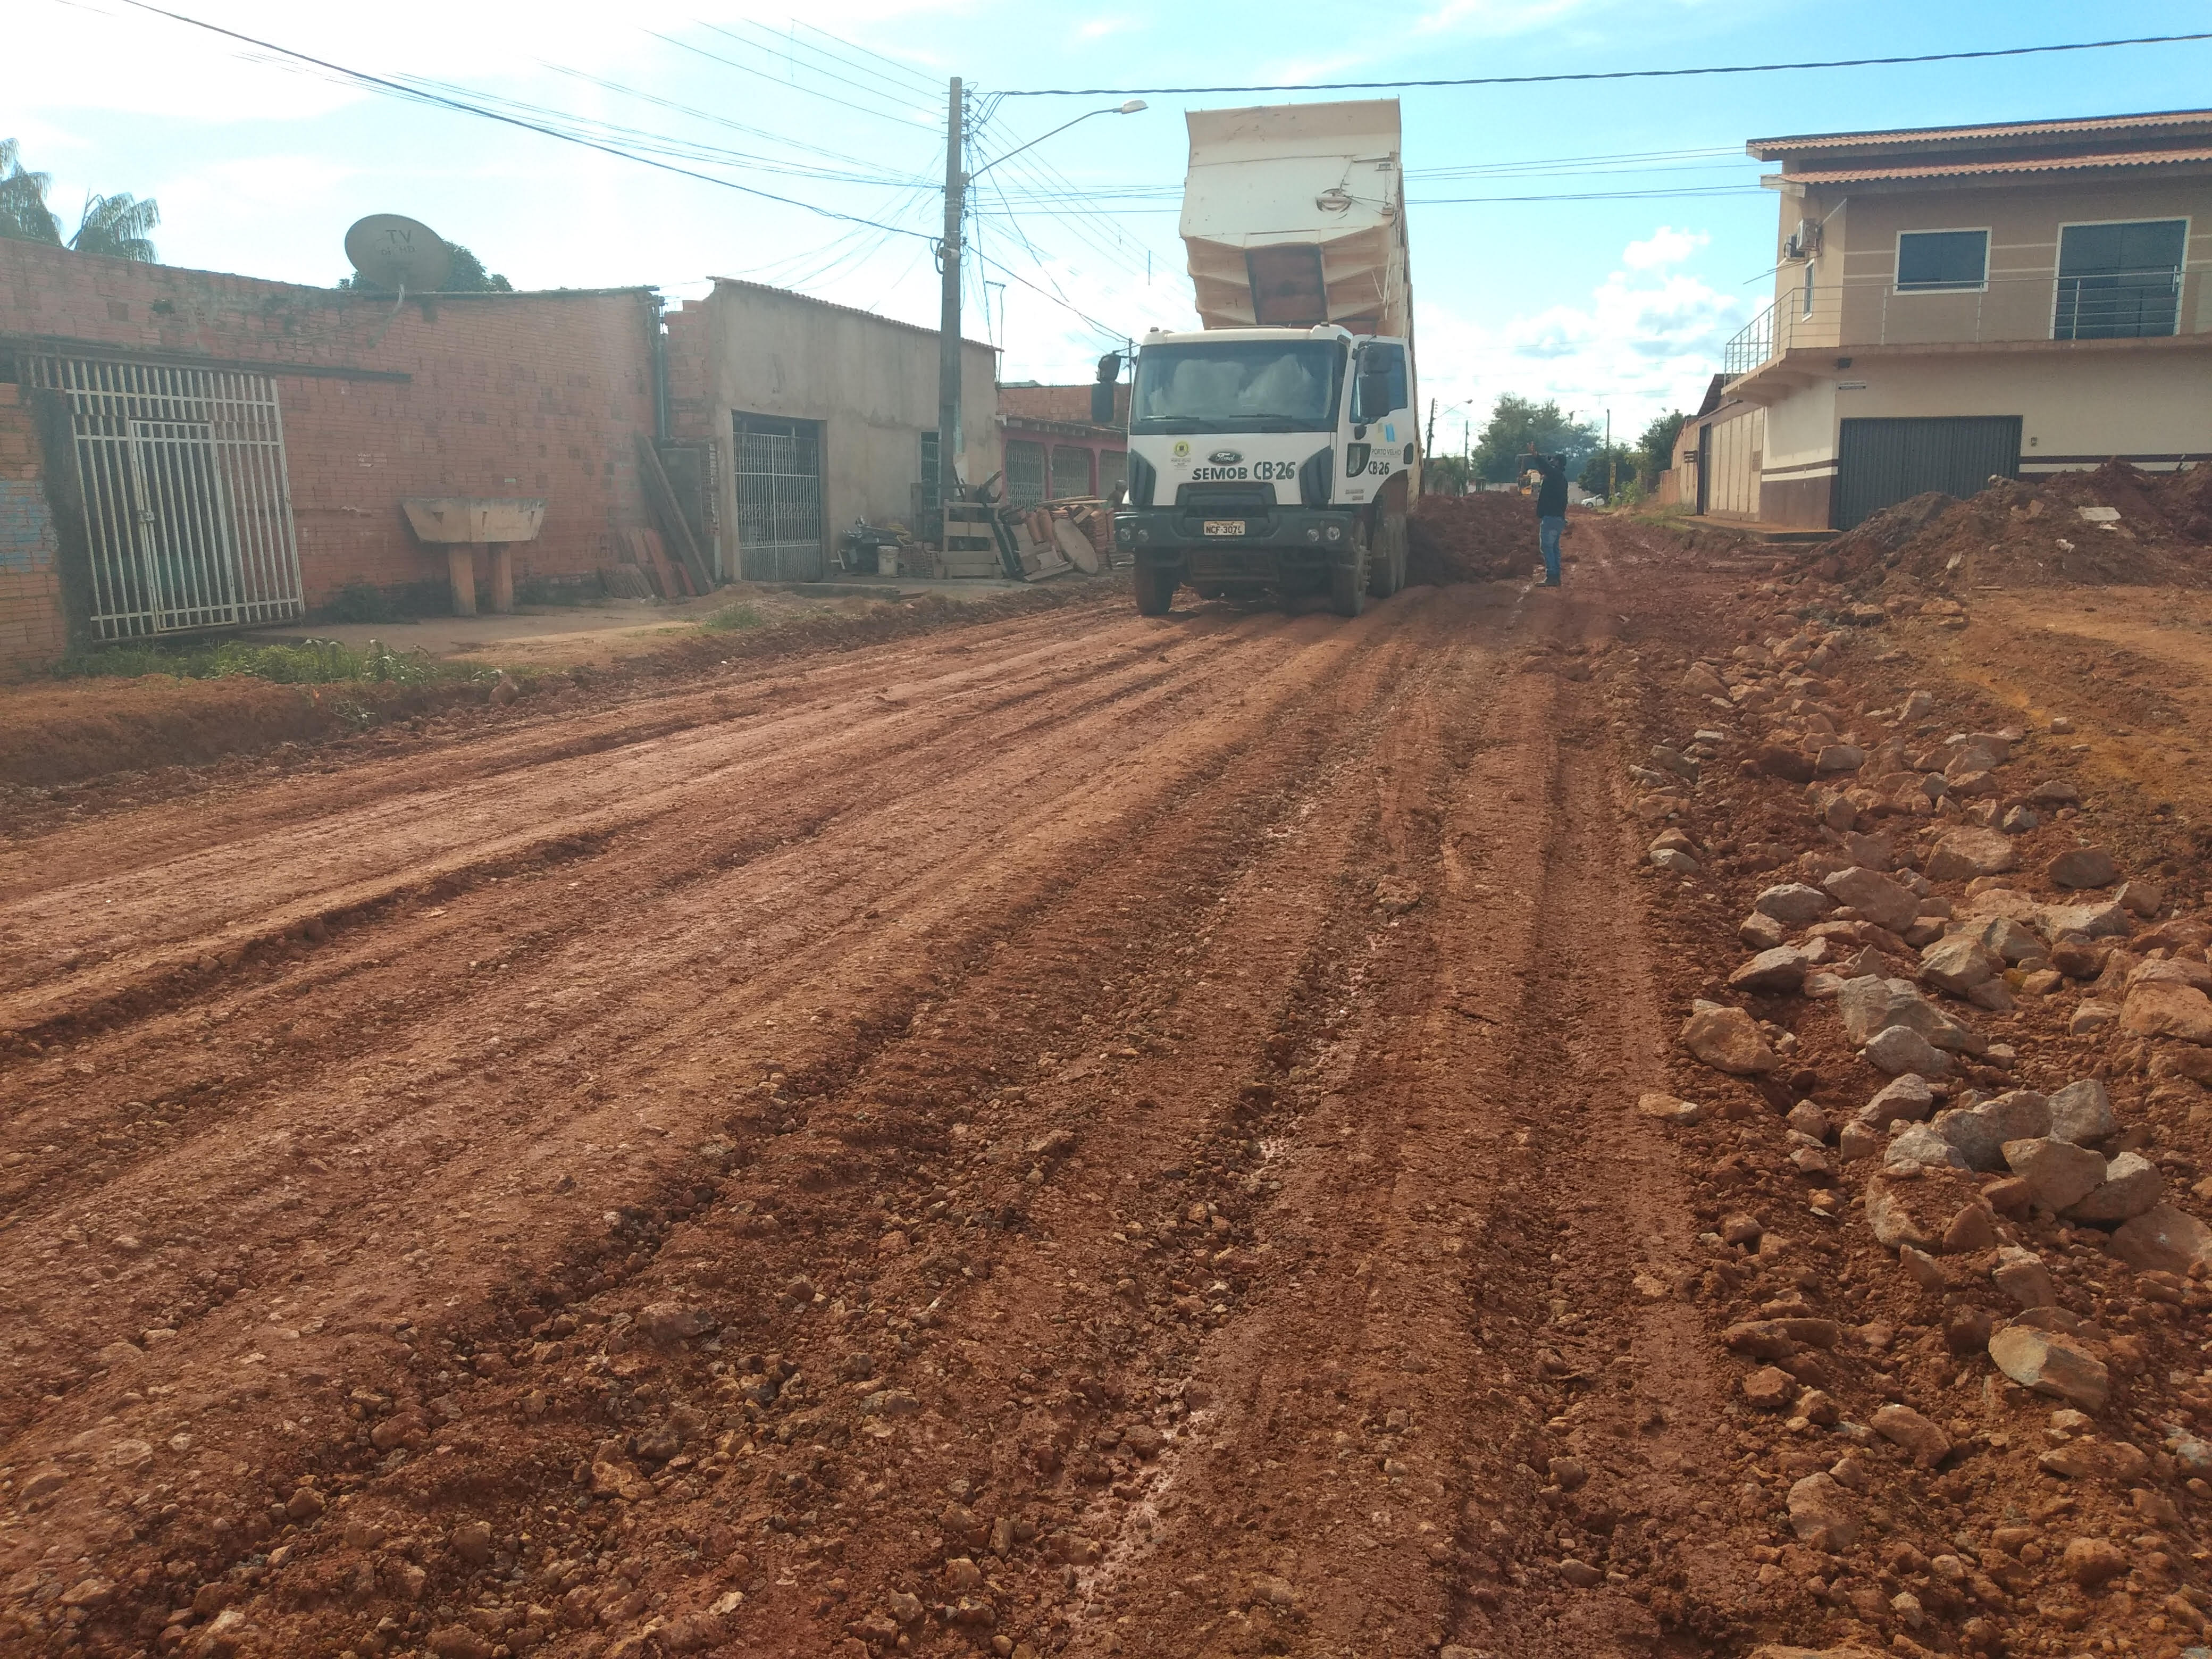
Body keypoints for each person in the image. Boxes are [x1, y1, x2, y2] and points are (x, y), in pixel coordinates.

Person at [1522, 444, 1568, 586]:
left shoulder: (1555, 475)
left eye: (1553, 461)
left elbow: (1546, 467)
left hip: (1551, 518)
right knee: (1554, 547)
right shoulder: (1561, 478)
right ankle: (1556, 576)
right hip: (1558, 518)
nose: (1551, 462)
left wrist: (1535, 455)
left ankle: (1552, 577)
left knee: (1547, 547)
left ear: (1558, 463)